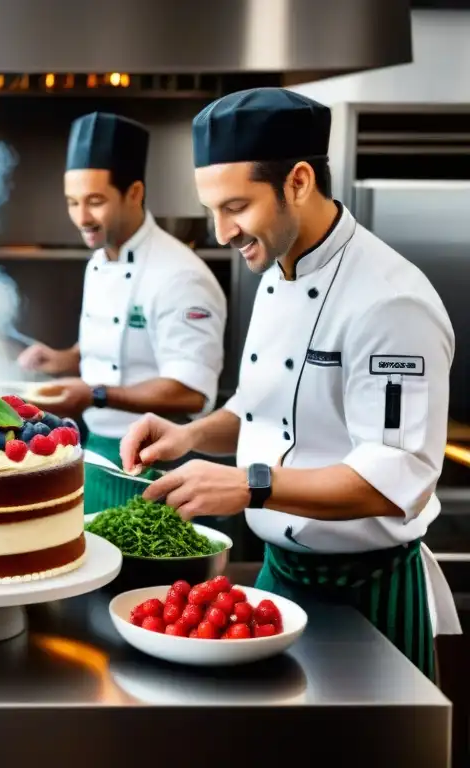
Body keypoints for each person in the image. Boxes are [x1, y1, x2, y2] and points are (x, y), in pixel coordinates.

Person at [120, 87, 461, 679]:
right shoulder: (279, 268)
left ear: (298, 182)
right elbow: (266, 413)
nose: (221, 231)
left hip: (368, 591)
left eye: (236, 207)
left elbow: (395, 477)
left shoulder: (390, 301)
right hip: (282, 579)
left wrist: (250, 487)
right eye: (211, 210)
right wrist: (188, 434)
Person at [18, 112, 227, 514]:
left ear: (134, 193)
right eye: (73, 202)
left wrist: (94, 394)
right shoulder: (99, 261)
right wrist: (65, 359)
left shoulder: (180, 276)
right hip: (95, 451)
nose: (81, 218)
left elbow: (192, 391)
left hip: (158, 463)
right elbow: (116, 342)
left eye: (95, 201)